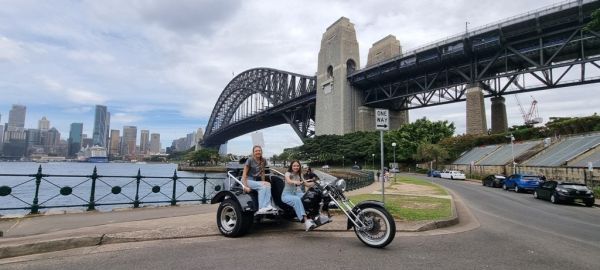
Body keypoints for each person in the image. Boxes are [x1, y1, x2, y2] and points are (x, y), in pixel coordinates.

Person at [282, 160, 316, 231]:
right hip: (286, 195)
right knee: (297, 199)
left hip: (295, 193)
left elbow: (306, 184)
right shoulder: (288, 173)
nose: (296, 167)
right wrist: (295, 182)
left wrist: (316, 183)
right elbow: (288, 181)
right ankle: (306, 221)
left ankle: (313, 216)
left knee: (308, 196)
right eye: (294, 165)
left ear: (299, 167)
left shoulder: (300, 174)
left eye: (297, 166)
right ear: (291, 166)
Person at [242, 145, 274, 214]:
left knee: (268, 184)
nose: (258, 152)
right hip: (247, 180)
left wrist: (263, 181)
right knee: (262, 187)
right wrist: (245, 186)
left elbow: (262, 172)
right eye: (256, 151)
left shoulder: (263, 160)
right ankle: (261, 208)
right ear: (253, 152)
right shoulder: (250, 160)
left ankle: (268, 205)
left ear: (261, 152)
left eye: (259, 151)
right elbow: (244, 174)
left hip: (254, 180)